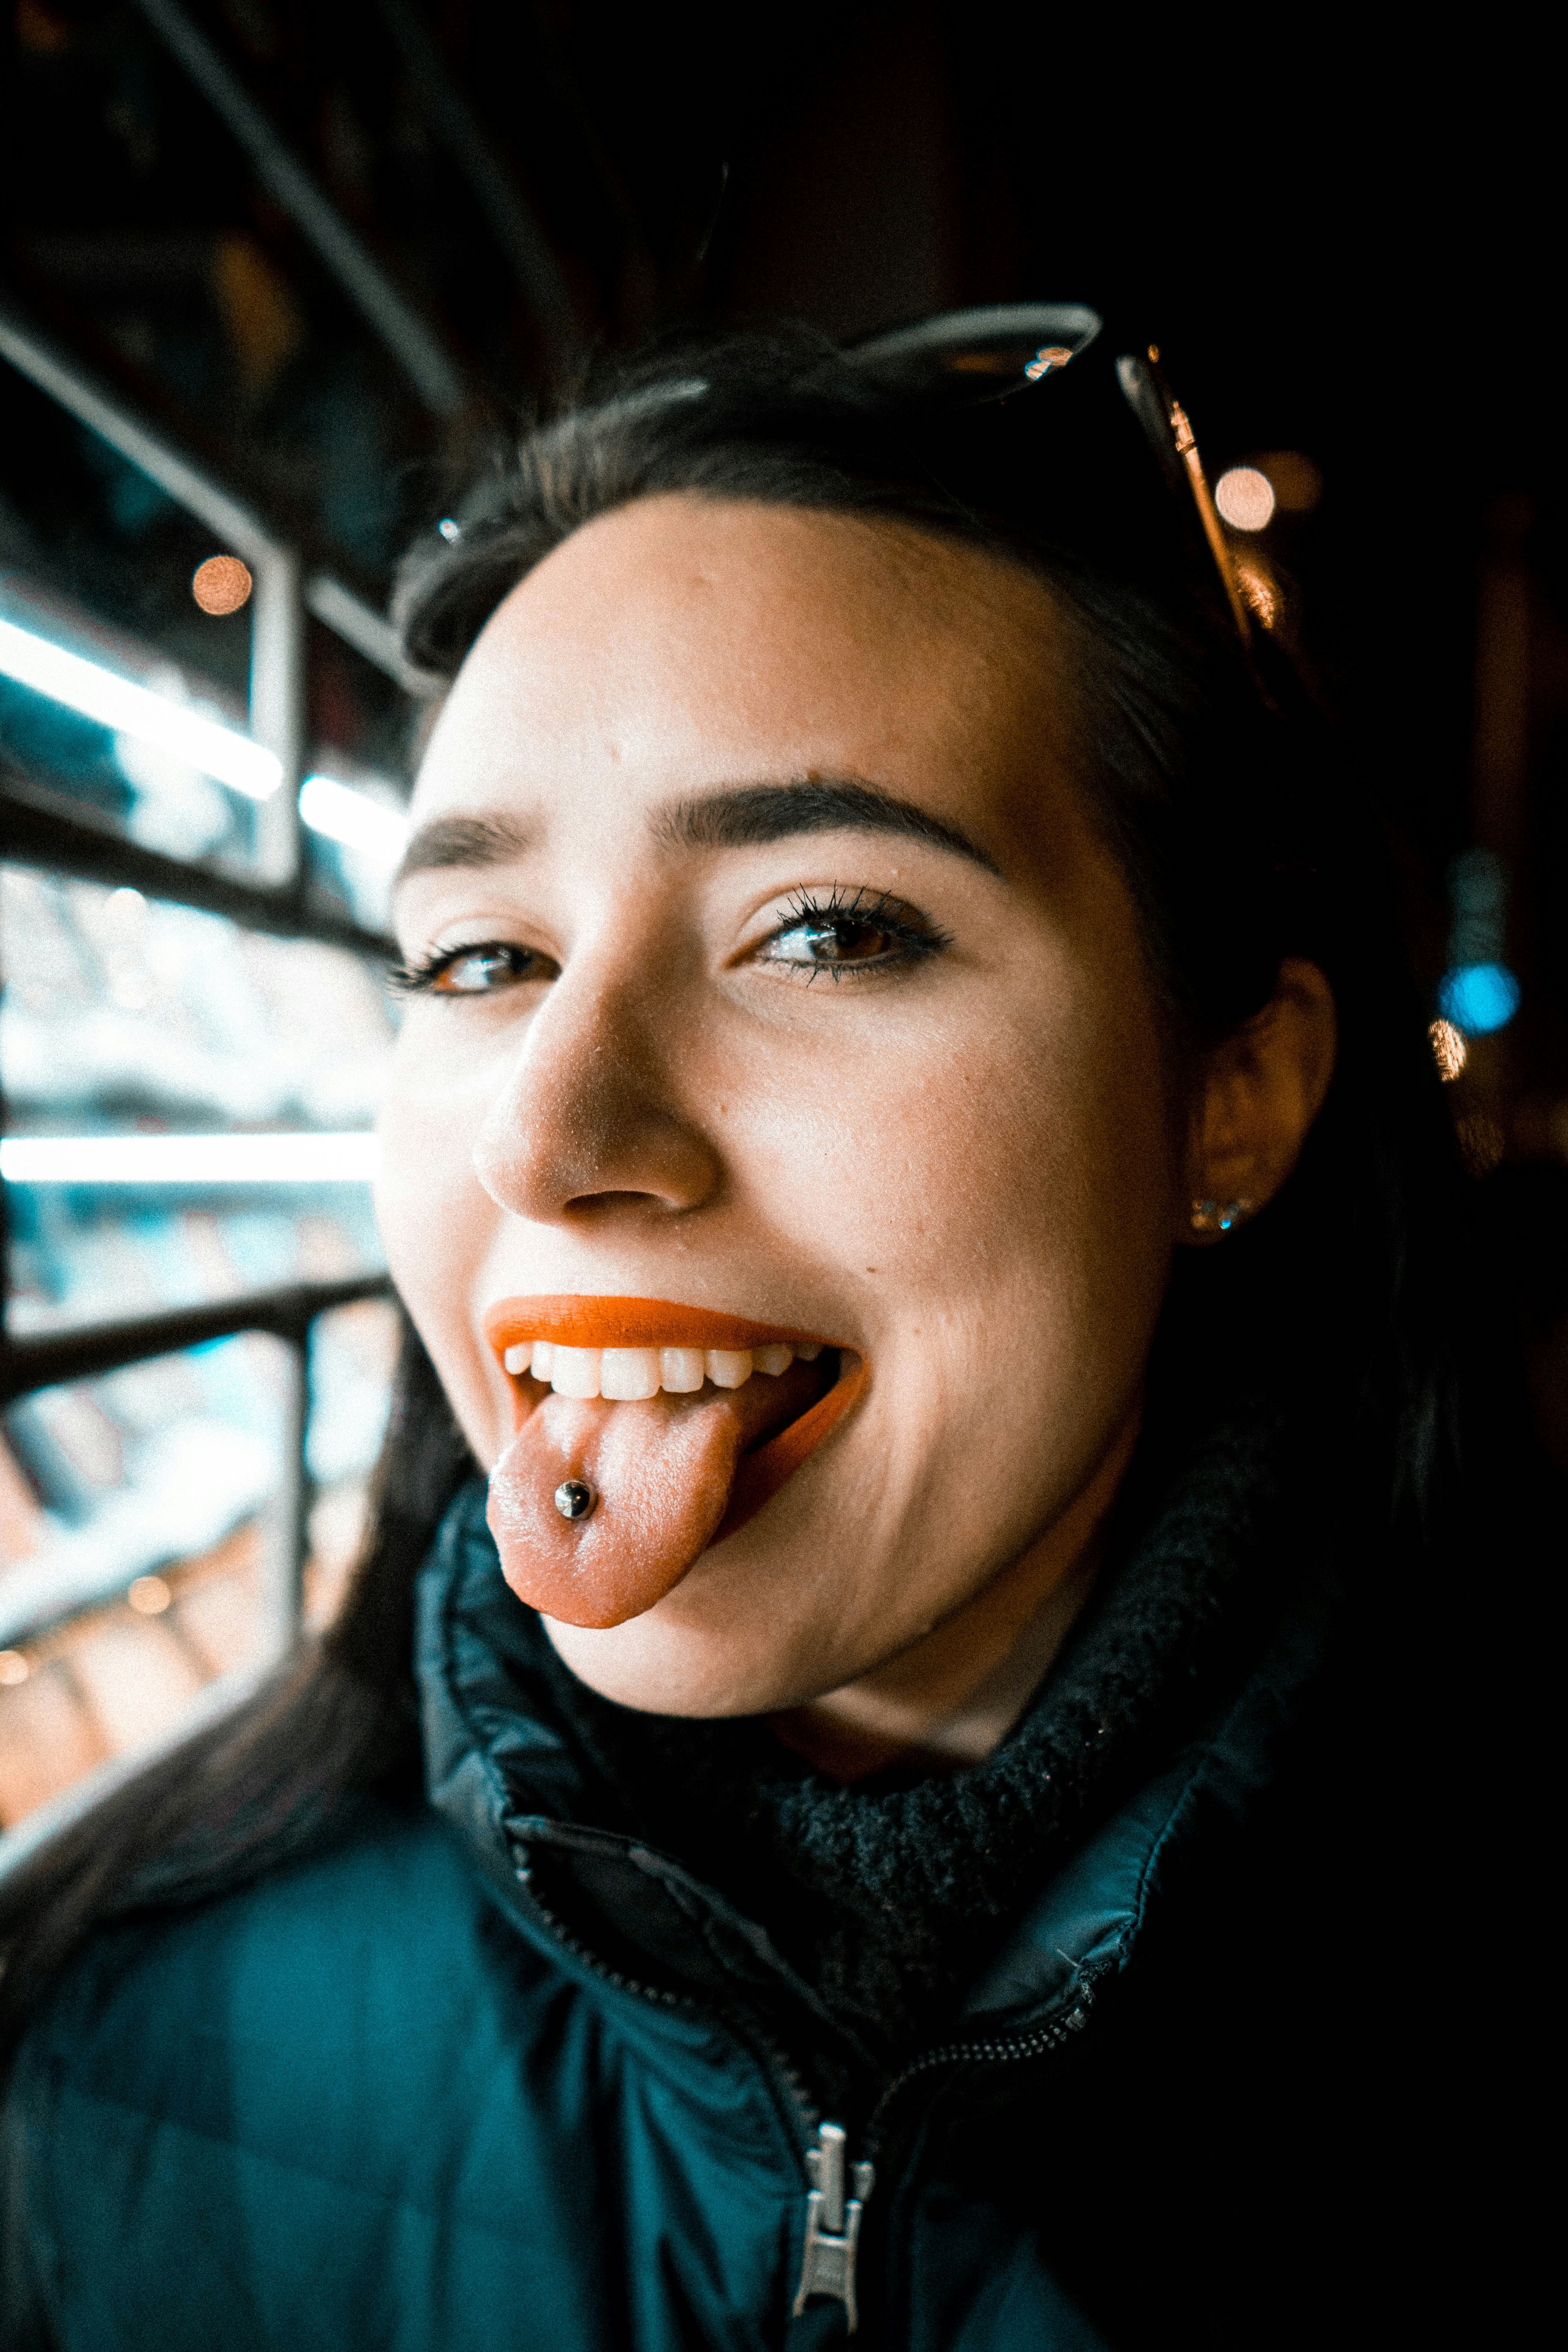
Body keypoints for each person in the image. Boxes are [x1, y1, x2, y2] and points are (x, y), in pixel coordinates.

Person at [0, 309, 1545, 2349]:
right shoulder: (114, 2076)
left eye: (824, 928)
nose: (554, 1135)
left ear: (1230, 1092)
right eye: (480, 955)